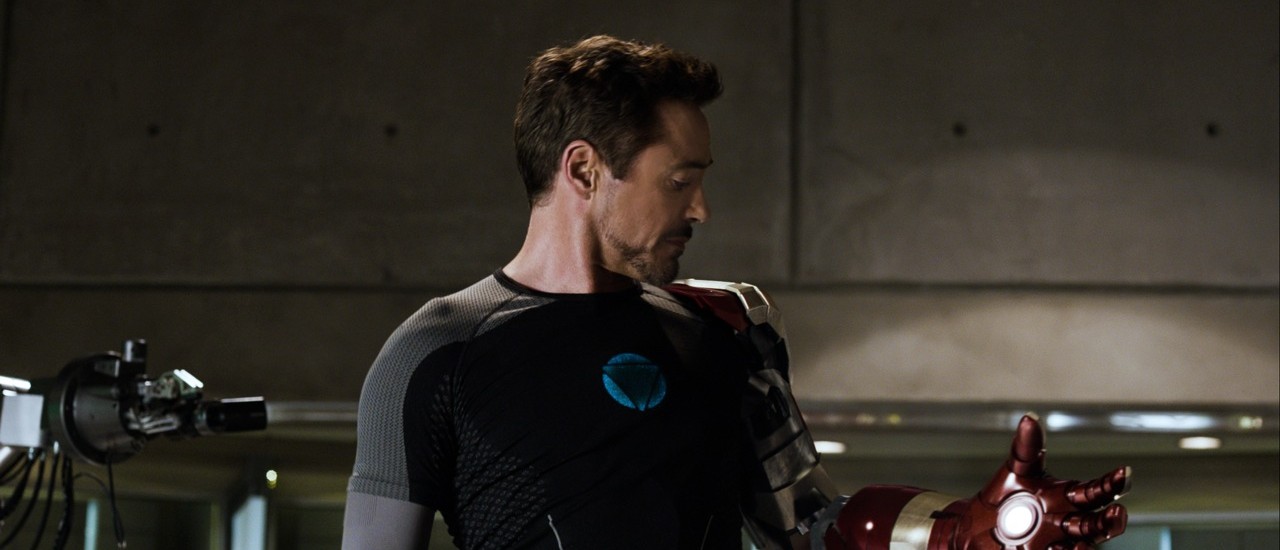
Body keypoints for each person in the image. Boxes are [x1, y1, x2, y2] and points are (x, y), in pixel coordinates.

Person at [342, 35, 1130, 550]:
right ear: (583, 169)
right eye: (678, 180)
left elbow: (809, 524)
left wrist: (963, 531)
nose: (701, 210)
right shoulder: (435, 352)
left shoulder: (723, 325)